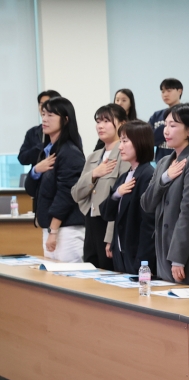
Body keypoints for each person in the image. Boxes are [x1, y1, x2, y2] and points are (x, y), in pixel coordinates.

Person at [141, 103, 189, 286]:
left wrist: (178, 258)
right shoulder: (164, 162)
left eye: (173, 125)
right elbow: (146, 203)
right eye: (166, 124)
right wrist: (165, 177)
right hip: (163, 246)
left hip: (185, 250)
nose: (166, 130)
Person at [25, 97, 85, 262]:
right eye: (43, 114)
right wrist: (36, 170)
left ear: (65, 119)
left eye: (50, 115)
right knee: (51, 276)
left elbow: (66, 194)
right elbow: (31, 190)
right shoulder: (46, 152)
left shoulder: (70, 152)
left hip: (66, 229)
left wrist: (54, 230)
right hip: (50, 227)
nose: (44, 119)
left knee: (68, 276)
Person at [71, 104, 130, 270]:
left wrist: (110, 236)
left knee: (108, 272)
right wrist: (94, 173)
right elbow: (76, 193)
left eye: (106, 121)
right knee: (90, 270)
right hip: (90, 221)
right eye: (98, 121)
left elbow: (121, 199)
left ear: (122, 123)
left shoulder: (124, 155)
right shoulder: (93, 157)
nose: (100, 126)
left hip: (109, 223)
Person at [102, 120, 156, 275]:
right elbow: (107, 213)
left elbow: (148, 224)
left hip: (138, 257)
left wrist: (142, 261)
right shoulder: (125, 176)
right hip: (121, 253)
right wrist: (117, 193)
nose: (120, 147)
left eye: (125, 141)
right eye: (120, 141)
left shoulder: (147, 175)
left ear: (140, 142)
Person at [149, 78, 189, 162]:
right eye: (163, 91)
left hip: (183, 162)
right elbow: (149, 140)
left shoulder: (187, 113)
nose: (165, 94)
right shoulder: (156, 115)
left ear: (179, 91)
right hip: (161, 163)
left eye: (169, 91)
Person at [18, 90, 61, 167]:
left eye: (47, 103)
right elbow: (22, 158)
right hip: (37, 173)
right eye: (41, 104)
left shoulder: (68, 133)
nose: (43, 107)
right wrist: (41, 147)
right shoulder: (32, 132)